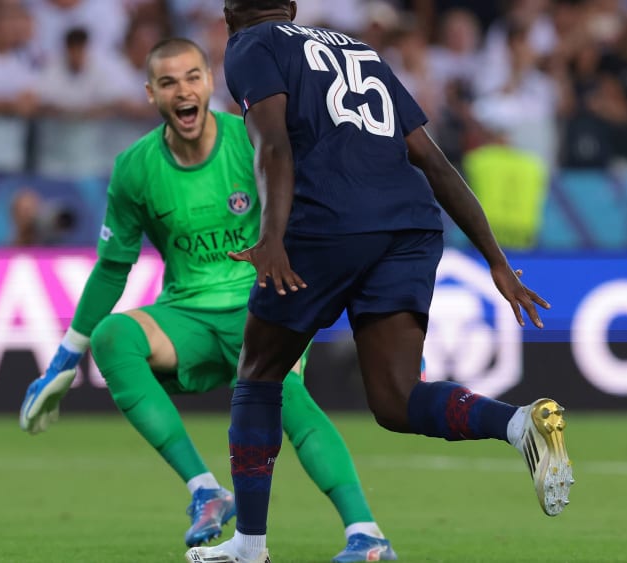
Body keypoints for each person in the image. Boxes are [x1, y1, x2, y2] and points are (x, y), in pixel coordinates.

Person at [186, 2, 574, 563]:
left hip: (328, 221)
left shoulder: (251, 45)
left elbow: (272, 143)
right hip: (410, 227)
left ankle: (249, 547)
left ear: (228, 12)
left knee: (259, 372)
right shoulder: (359, 50)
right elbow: (432, 160)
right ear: (291, 6)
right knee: (396, 399)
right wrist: (494, 259)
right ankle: (517, 424)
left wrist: (271, 237)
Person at [20, 38, 398, 562]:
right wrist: (65, 358)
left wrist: (372, 314)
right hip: (188, 316)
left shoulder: (252, 140)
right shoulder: (135, 168)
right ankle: (206, 490)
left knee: (287, 400)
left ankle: (367, 533)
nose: (183, 91)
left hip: (262, 305)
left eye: (192, 77)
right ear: (151, 94)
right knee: (113, 338)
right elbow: (112, 268)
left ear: (210, 82)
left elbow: (321, 218)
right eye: (169, 82)